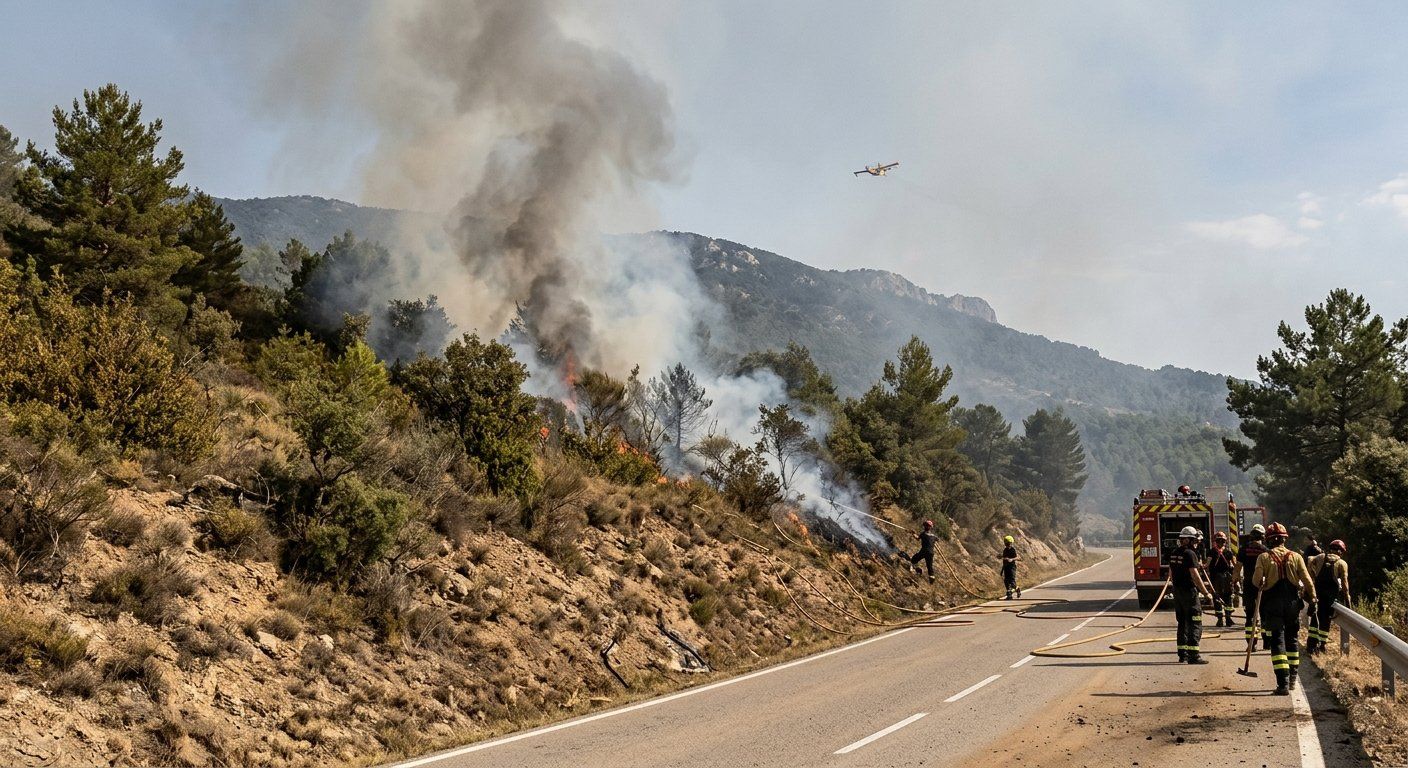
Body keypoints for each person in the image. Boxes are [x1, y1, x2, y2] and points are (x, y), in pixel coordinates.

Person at [1253, 522, 1317, 695]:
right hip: (1292, 604)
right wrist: (1313, 599)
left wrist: (1264, 580)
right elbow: (1307, 580)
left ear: (1269, 540)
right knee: (1292, 640)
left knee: (1277, 641)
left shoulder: (1263, 557)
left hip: (1272, 604)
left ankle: (1282, 684)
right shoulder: (1296, 556)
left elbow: (1256, 581)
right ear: (1284, 539)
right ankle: (1293, 680)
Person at [1170, 526, 1214, 664]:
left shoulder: (1174, 553)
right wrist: (1206, 593)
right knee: (1195, 621)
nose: (1196, 544)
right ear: (1187, 540)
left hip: (1178, 592)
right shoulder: (1190, 554)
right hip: (1189, 592)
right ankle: (1194, 655)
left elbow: (1171, 573)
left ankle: (1182, 654)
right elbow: (1195, 575)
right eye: (1194, 541)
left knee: (1182, 623)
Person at [1306, 540, 1351, 655]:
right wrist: (1348, 602)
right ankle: (1322, 645)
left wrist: (1312, 577)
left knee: (1315, 619)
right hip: (1330, 598)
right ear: (1341, 551)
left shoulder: (1320, 557)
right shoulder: (1342, 563)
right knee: (1326, 621)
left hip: (1317, 594)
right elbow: (1345, 585)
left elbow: (1309, 560)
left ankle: (1311, 646)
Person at [1237, 523, 1268, 651]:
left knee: (1250, 615)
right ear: (1263, 536)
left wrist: (1235, 582)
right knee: (1264, 614)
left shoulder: (1243, 550)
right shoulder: (1265, 550)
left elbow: (1237, 568)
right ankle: (1267, 642)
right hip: (1262, 585)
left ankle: (1251, 644)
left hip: (1248, 585)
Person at [1205, 532, 1236, 627]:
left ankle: (1221, 619)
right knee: (1227, 597)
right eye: (1220, 541)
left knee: (1218, 597)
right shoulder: (1228, 552)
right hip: (1225, 578)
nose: (1221, 543)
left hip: (1217, 578)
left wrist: (1201, 566)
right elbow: (1235, 565)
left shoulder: (1212, 551)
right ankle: (1227, 618)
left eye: (1222, 541)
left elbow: (1207, 564)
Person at [1001, 535, 1021, 599]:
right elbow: (1004, 558)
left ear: (1011, 543)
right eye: (1006, 543)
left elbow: (1018, 558)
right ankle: (1009, 594)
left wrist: (1012, 559)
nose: (1007, 545)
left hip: (1012, 567)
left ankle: (1017, 589)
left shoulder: (1013, 550)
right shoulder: (1005, 550)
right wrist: (1001, 557)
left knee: (1012, 581)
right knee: (1006, 581)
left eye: (1008, 543)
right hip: (1006, 567)